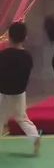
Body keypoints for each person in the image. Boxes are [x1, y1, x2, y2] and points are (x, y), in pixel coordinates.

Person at [0, 22, 41, 155]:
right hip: (19, 93)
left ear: (9, 36)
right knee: (22, 118)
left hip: (3, 92)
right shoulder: (27, 57)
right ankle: (34, 136)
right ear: (25, 38)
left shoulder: (3, 55)